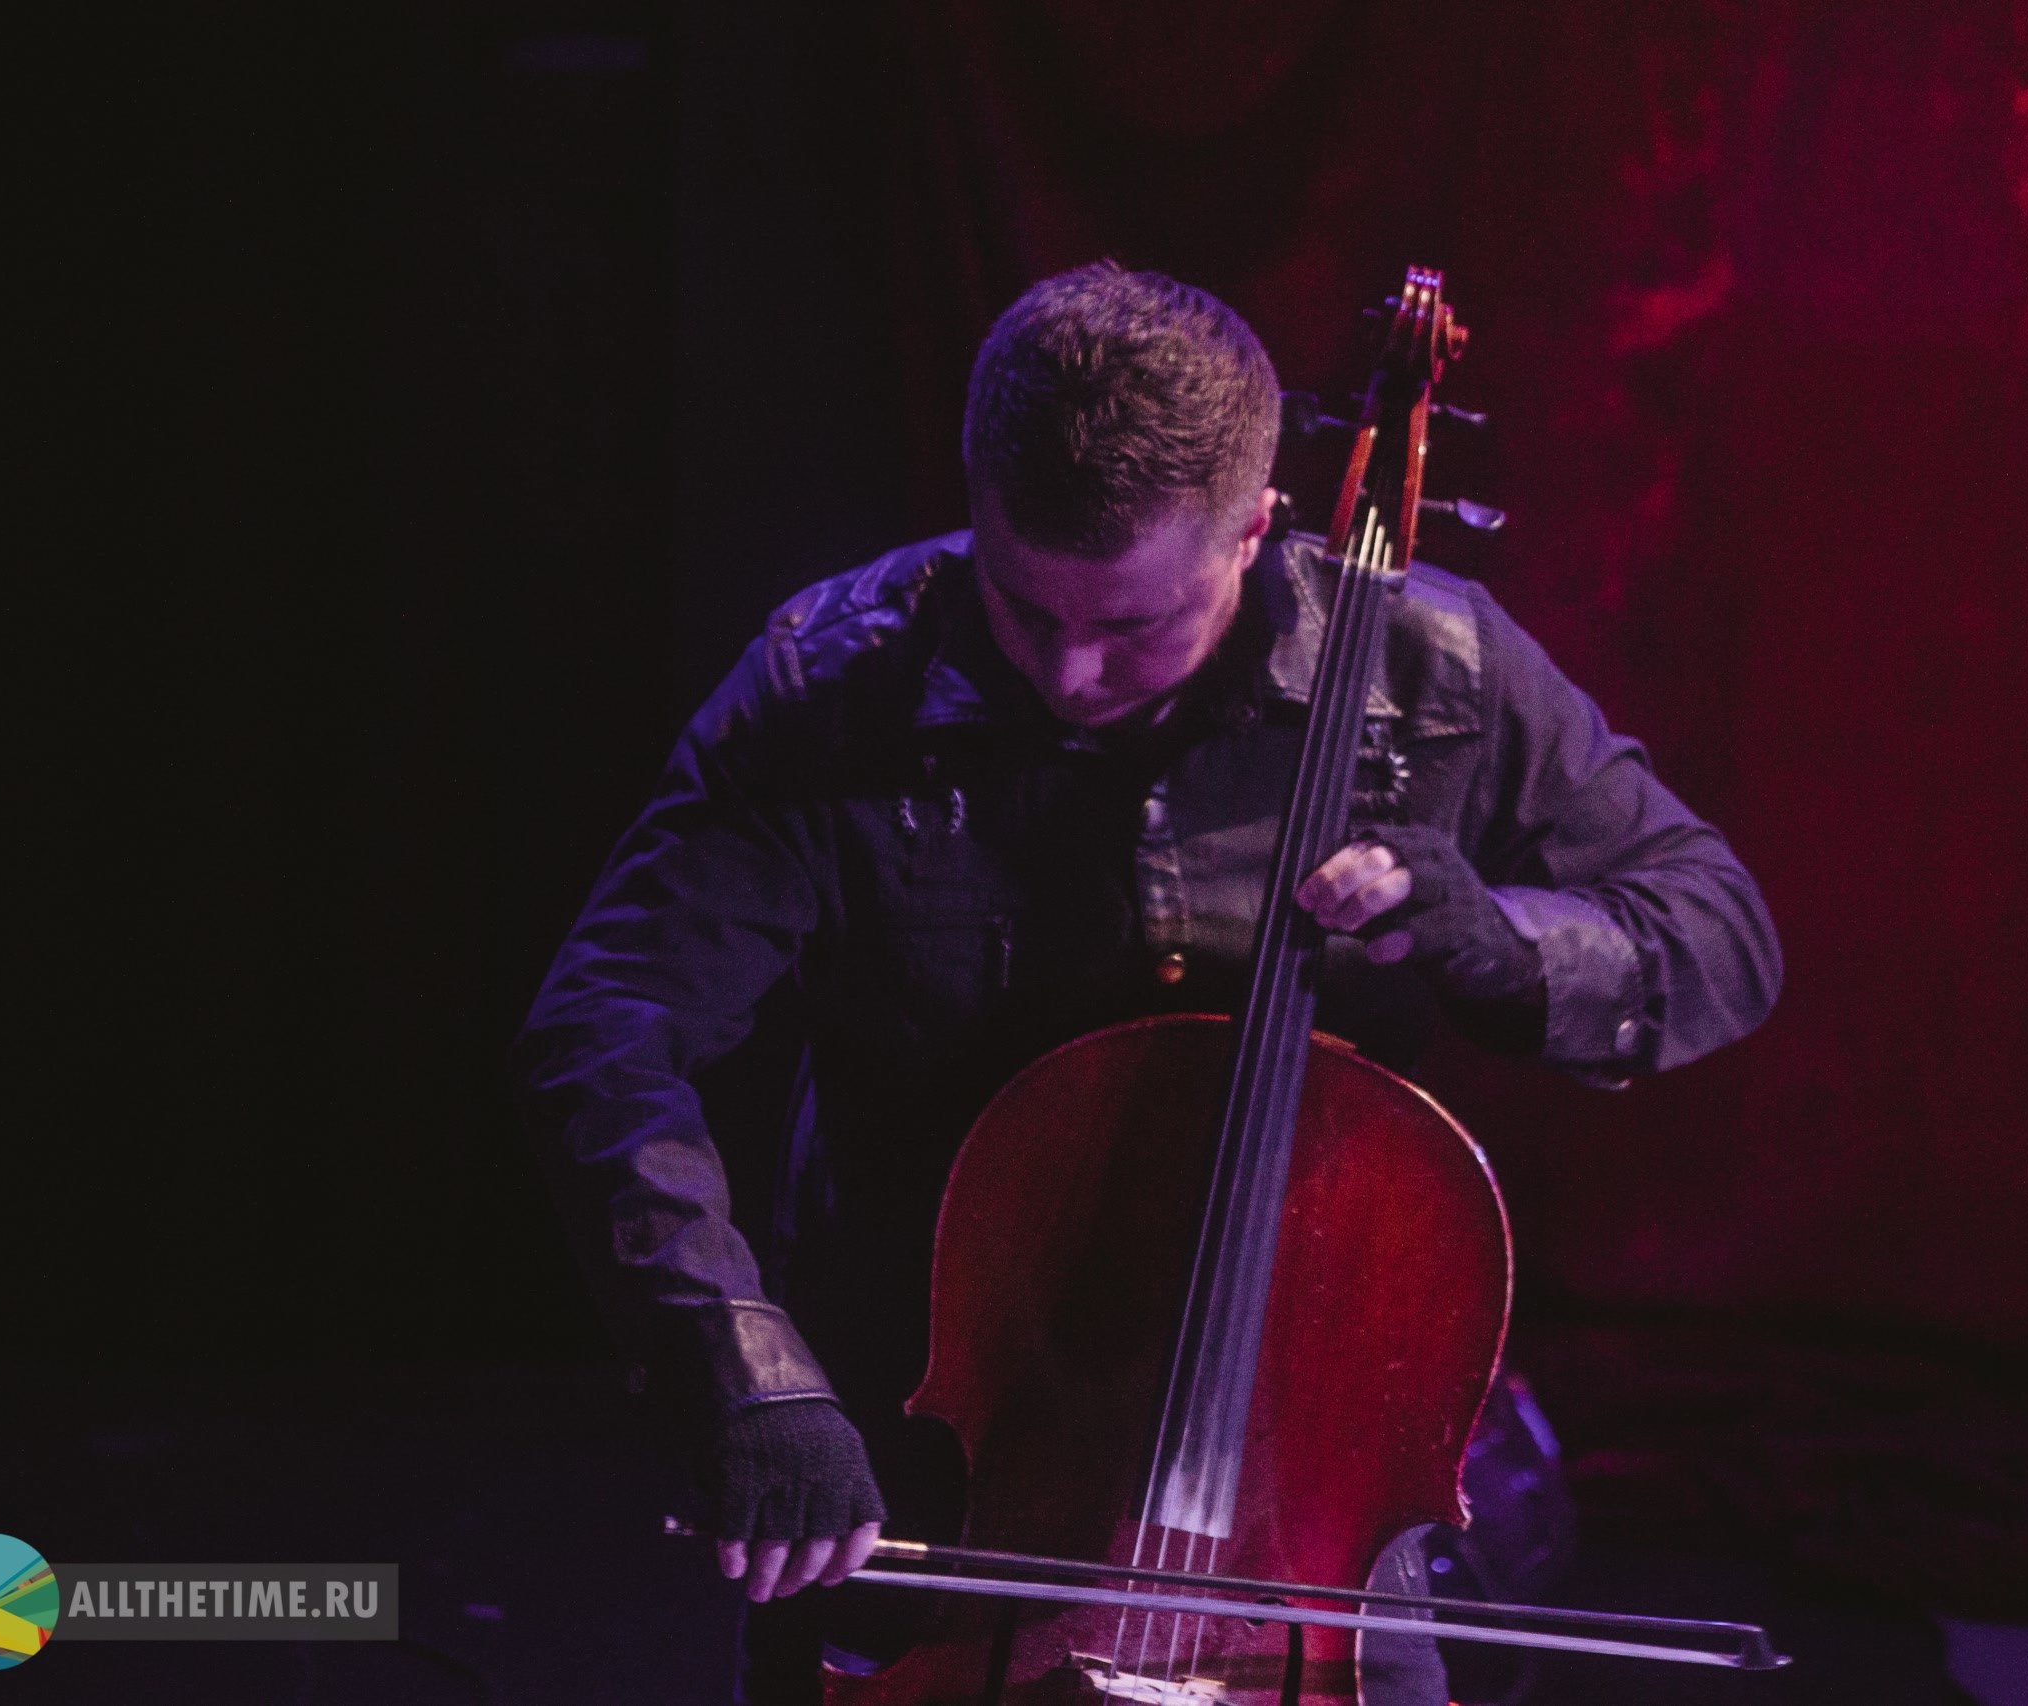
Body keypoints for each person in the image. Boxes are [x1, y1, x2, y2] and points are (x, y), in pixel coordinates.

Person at [514, 262, 1782, 1703]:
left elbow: (1719, 937)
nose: (1067, 668)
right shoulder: (834, 685)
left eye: (1132, 626)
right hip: (928, 1453)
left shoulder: (1431, 672)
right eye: (1024, 606)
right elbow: (606, 1030)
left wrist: (1495, 933)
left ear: (1255, 527)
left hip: (1299, 1510)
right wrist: (743, 1364)